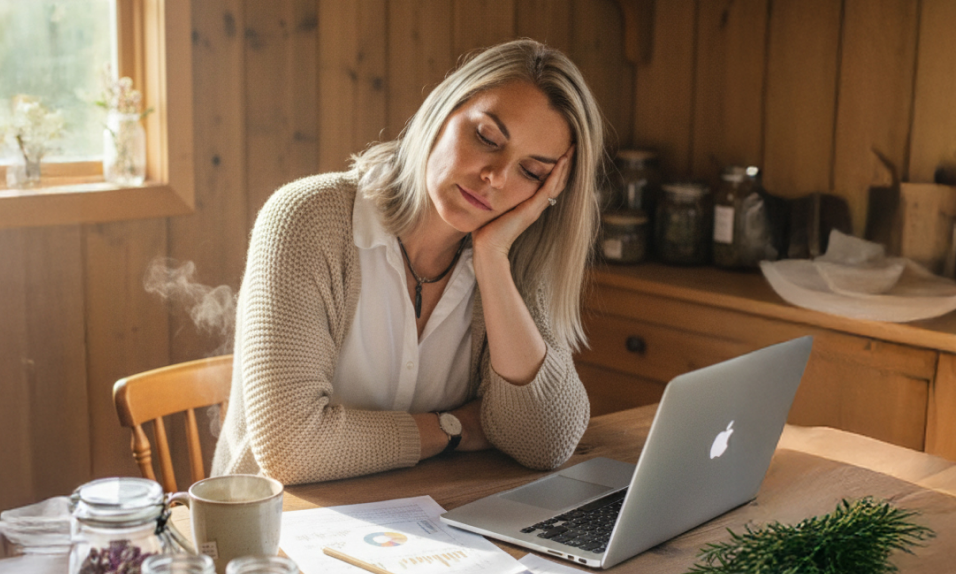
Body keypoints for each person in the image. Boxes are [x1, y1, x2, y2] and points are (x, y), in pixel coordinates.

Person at [211, 39, 606, 485]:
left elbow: (547, 441)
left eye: (531, 172)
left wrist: (493, 260)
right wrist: (457, 428)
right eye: (487, 138)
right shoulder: (306, 220)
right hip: (274, 535)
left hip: (428, 528)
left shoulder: (513, 258)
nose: (495, 177)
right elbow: (291, 449)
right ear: (442, 112)